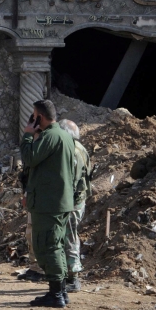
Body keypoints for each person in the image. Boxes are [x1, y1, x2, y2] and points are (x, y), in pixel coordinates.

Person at [21, 99, 76, 308]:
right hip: (60, 201)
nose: (32, 120)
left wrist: (27, 134)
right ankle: (60, 291)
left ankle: (56, 294)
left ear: (39, 118)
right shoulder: (65, 135)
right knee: (57, 246)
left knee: (47, 247)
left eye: (34, 117)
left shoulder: (50, 136)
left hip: (48, 202)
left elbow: (29, 158)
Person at [60, 119, 92, 294]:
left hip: (71, 202)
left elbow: (69, 181)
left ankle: (73, 277)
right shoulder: (81, 149)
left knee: (69, 237)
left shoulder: (71, 151)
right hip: (78, 200)